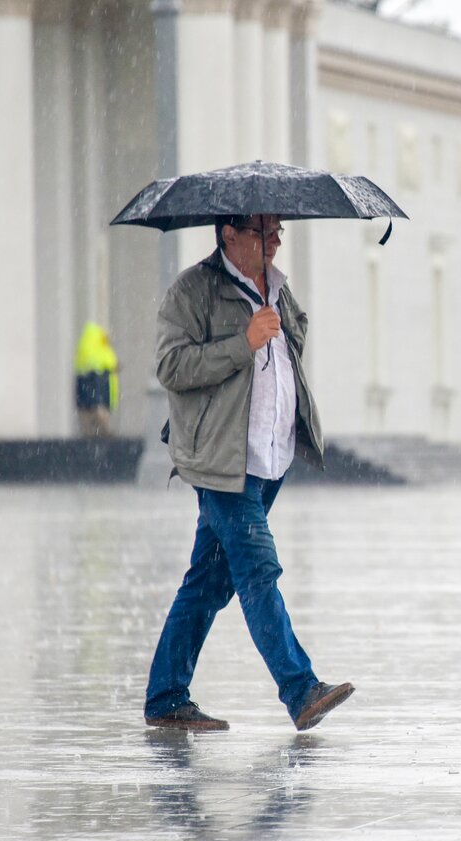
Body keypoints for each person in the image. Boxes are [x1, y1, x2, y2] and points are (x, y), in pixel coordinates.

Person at [144, 213, 354, 732]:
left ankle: (166, 697)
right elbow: (173, 367)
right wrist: (244, 341)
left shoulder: (276, 288)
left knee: (208, 583)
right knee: (258, 570)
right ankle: (300, 690)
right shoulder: (192, 291)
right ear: (229, 235)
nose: (276, 239)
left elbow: (294, 341)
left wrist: (283, 329)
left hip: (269, 458)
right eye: (264, 231)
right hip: (220, 461)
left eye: (278, 229)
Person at [74, 322, 120, 437]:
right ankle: (102, 431)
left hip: (87, 397)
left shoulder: (84, 349)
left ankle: (90, 432)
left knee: (88, 417)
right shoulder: (101, 350)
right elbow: (110, 363)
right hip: (100, 391)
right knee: (99, 412)